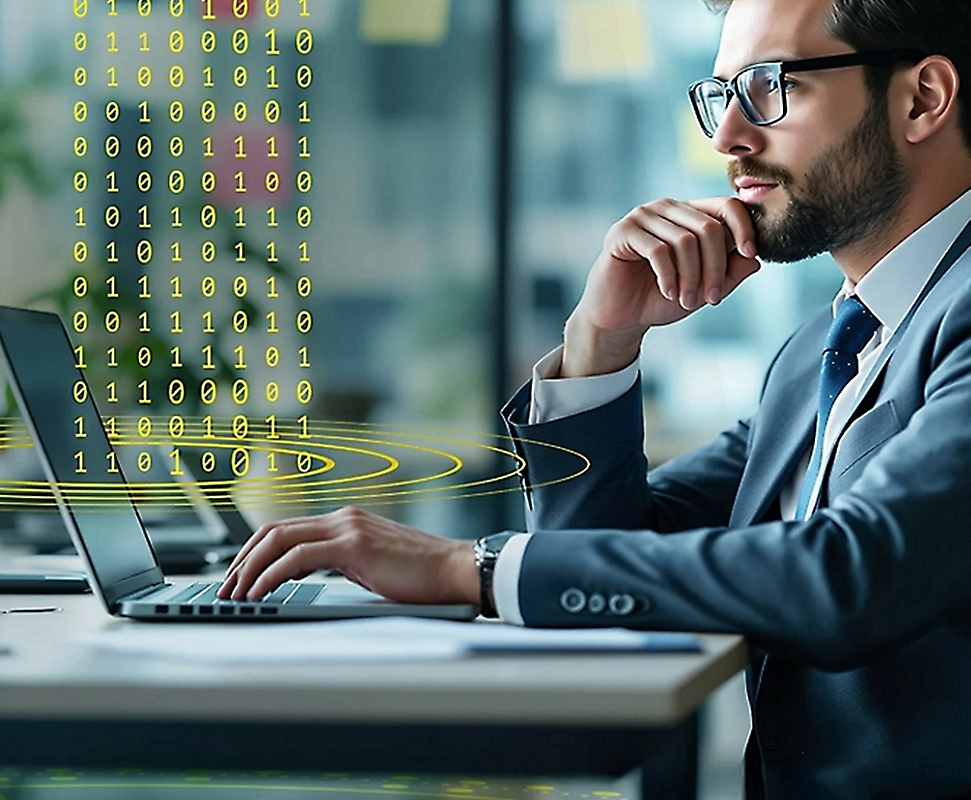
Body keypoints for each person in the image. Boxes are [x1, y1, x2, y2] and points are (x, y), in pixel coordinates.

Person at [219, 0, 971, 795]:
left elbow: (852, 573)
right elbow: (604, 557)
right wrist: (599, 344)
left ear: (921, 97)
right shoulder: (819, 353)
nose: (727, 138)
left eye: (765, 87)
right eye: (721, 96)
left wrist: (469, 567)